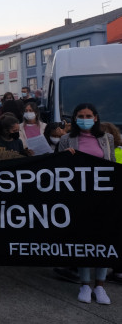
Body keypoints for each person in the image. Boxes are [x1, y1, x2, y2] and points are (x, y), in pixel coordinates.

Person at [57, 103, 116, 305]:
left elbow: (113, 166)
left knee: (103, 240)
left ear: (96, 118)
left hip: (103, 198)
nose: (85, 118)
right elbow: (57, 167)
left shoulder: (107, 139)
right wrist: (67, 158)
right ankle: (84, 284)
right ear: (74, 118)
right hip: (78, 197)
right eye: (80, 115)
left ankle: (100, 286)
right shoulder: (66, 139)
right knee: (83, 240)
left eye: (88, 115)